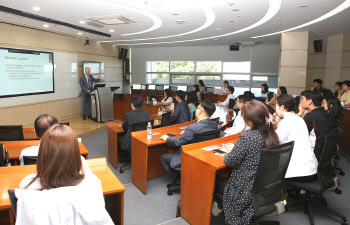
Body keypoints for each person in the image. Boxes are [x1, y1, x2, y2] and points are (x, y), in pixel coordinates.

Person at [16, 124, 113, 224]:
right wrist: (82, 161)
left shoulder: (27, 184)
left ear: (42, 155)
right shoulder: (89, 187)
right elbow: (93, 180)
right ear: (75, 155)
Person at [212, 100, 280, 224]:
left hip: (244, 189)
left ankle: (221, 207)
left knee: (214, 181)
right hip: (264, 187)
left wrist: (230, 151)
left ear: (250, 121)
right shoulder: (272, 134)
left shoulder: (248, 137)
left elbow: (229, 161)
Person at [160, 99, 218, 182]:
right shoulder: (214, 124)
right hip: (203, 156)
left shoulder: (192, 128)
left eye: (197, 108)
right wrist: (187, 133)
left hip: (190, 158)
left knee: (163, 157)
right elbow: (202, 131)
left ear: (200, 111)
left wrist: (167, 138)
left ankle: (175, 179)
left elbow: (177, 143)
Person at [274, 94, 318, 180]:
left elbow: (276, 142)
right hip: (311, 168)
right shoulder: (298, 118)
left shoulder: (286, 122)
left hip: (299, 172)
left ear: (282, 107)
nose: (275, 107)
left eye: (276, 105)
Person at [298, 90, 329, 159]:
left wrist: (300, 112)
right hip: (322, 150)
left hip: (313, 152)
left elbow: (297, 133)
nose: (300, 101)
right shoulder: (324, 112)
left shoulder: (310, 117)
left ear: (310, 101)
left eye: (302, 99)